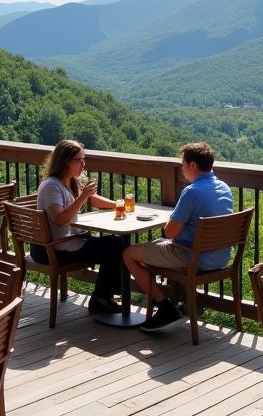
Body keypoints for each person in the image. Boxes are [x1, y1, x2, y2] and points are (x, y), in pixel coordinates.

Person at [123, 141, 233, 333]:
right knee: (156, 246)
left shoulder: (191, 192)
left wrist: (172, 222)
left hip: (192, 258)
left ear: (193, 166)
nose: (182, 170)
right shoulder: (224, 187)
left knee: (129, 253)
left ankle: (165, 307)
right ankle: (171, 305)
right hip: (221, 257)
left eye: (183, 165)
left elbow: (170, 232)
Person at [33, 139, 126, 315]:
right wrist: (82, 197)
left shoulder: (71, 179)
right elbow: (60, 219)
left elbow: (92, 198)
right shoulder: (52, 186)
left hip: (69, 240)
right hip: (55, 249)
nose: (83, 164)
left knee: (115, 244)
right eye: (79, 159)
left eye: (84, 159)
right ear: (65, 161)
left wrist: (117, 205)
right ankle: (102, 298)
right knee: (116, 246)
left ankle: (104, 296)